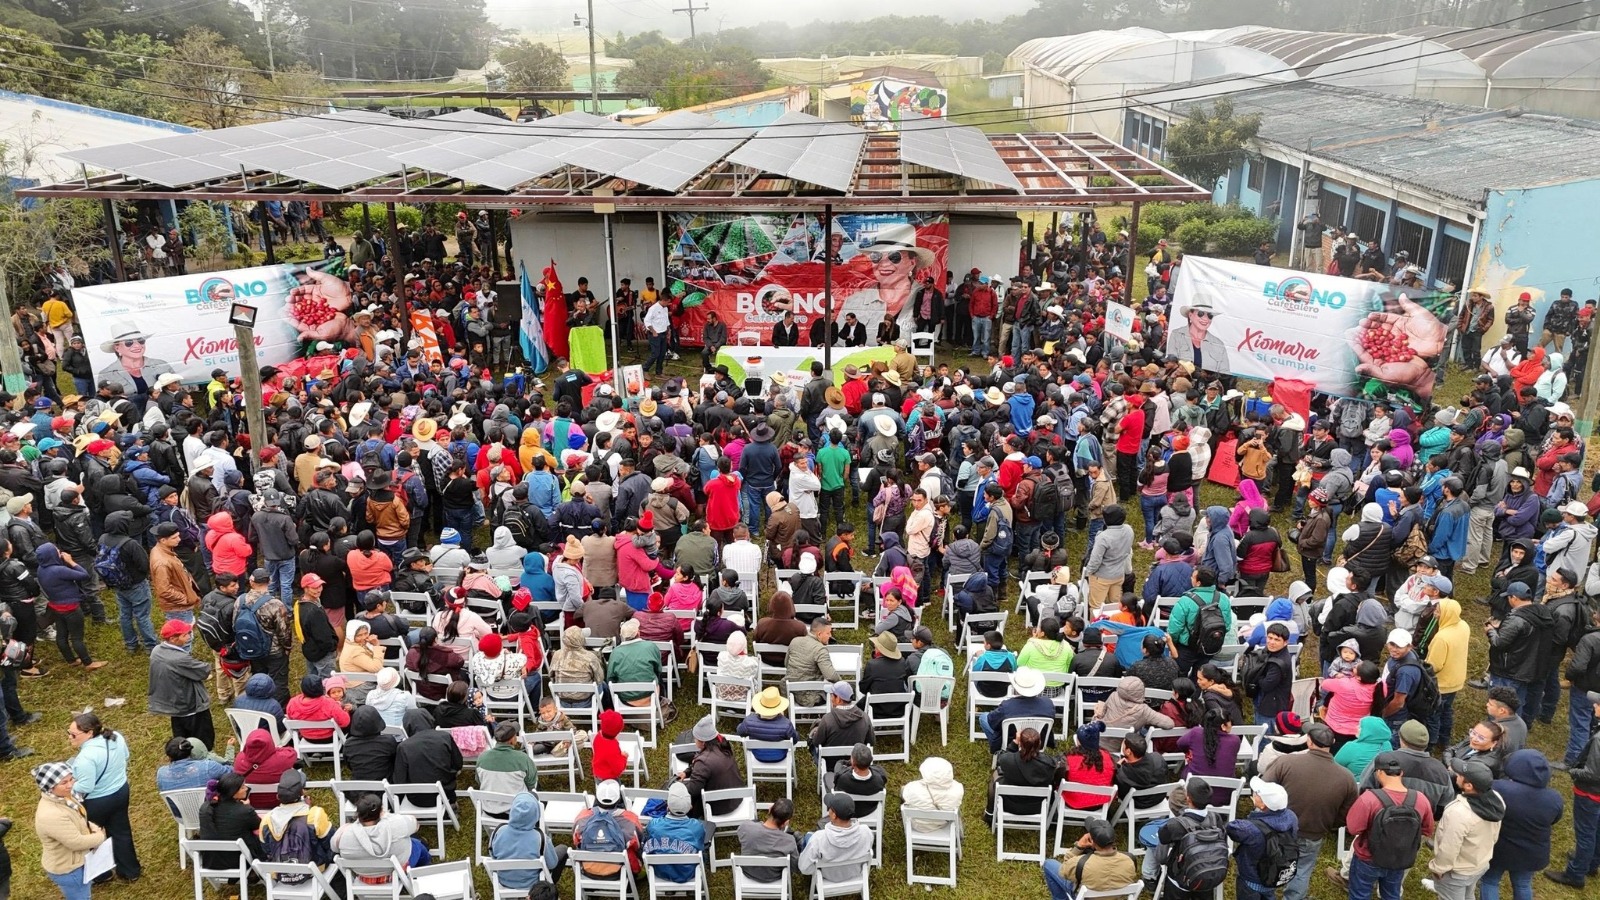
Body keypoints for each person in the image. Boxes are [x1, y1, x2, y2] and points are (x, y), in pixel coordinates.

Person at [1260, 722, 1358, 900]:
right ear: (1333, 742)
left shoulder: (1286, 762)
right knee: (1302, 869)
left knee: (1270, 862)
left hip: (1278, 829)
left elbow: (1262, 789)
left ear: (1309, 742)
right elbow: (1346, 813)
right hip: (1313, 833)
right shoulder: (1347, 777)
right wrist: (1326, 824)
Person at [1340, 752, 1436, 900]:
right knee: (1391, 895)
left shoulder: (1369, 798)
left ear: (1378, 772)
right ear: (1401, 773)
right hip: (1400, 859)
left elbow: (1353, 828)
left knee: (1360, 895)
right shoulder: (1420, 799)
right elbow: (1428, 829)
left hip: (1367, 858)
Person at [1480, 749, 1563, 900]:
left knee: (1490, 881)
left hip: (1499, 848)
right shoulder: (1554, 798)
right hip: (1531, 853)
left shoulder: (1499, 788)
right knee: (1523, 884)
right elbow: (1555, 819)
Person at [66, 712, 138, 882]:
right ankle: (130, 871)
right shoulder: (116, 737)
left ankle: (100, 874)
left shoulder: (85, 758)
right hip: (120, 791)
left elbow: (86, 786)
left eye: (73, 734)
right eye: (68, 733)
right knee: (121, 831)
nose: (69, 737)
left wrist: (69, 784)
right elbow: (126, 756)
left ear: (89, 733)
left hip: (97, 802)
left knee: (92, 836)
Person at [1428, 759, 1504, 900]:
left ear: (1469, 786)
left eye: (1461, 775)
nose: (1457, 775)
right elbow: (1494, 834)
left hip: (1457, 872)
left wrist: (1438, 869)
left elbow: (1450, 846)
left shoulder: (1458, 812)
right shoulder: (1496, 799)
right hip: (1479, 863)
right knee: (1468, 896)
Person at [1547, 690, 1600, 887]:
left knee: (1585, 833)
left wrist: (1573, 771)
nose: (1594, 706)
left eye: (1597, 704)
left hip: (1590, 792)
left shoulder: (1599, 739)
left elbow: (1592, 773)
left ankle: (1576, 874)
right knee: (1597, 830)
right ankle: (1591, 862)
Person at [32, 762, 106, 900]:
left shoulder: (63, 797)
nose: (70, 785)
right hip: (70, 869)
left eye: (71, 779)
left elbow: (79, 819)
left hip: (76, 862)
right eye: (64, 782)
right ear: (50, 787)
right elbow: (76, 842)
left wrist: (93, 828)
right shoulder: (51, 814)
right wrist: (100, 836)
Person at [146, 619, 214, 748]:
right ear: (172, 638)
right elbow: (203, 671)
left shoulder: (156, 651)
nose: (189, 637)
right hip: (190, 707)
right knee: (204, 741)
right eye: (185, 634)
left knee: (181, 740)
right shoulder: (180, 659)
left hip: (174, 705)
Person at [1227, 778, 1298, 900]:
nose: (1254, 794)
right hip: (1273, 874)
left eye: (1257, 793)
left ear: (1263, 804)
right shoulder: (1291, 817)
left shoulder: (1251, 829)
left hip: (1250, 880)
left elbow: (1231, 828)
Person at [1043, 816, 1139, 900]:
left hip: (1086, 897)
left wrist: (1078, 847)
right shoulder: (1130, 860)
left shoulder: (1081, 864)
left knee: (1049, 864)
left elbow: (1063, 871)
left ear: (1092, 841)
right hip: (1115, 896)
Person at [491, 791, 569, 887]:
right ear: (537, 813)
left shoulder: (498, 831)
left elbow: (492, 855)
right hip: (533, 885)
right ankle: (548, 886)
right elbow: (552, 864)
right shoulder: (541, 838)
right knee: (563, 849)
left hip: (503, 882)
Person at [572, 780, 644, 877]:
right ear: (619, 799)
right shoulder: (630, 820)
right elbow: (639, 843)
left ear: (597, 798)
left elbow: (576, 841)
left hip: (588, 870)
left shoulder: (582, 817)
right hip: (619, 871)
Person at [799, 793, 877, 881]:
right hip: (854, 873)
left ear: (833, 815)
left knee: (808, 836)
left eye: (829, 808)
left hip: (827, 876)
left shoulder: (818, 838)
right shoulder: (866, 832)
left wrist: (818, 869)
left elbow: (804, 868)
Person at [394, 708, 464, 805]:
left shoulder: (403, 747)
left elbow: (400, 780)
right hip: (446, 793)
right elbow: (458, 763)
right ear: (429, 719)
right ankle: (452, 808)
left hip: (417, 799)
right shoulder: (444, 737)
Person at [197, 772, 265, 867]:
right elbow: (259, 826)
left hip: (212, 861)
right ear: (233, 792)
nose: (246, 789)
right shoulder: (245, 810)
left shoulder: (205, 808)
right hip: (240, 860)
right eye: (242, 787)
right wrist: (247, 807)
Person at [736, 797, 800, 881]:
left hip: (748, 873)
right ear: (786, 823)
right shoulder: (789, 841)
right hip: (774, 877)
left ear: (769, 810)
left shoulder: (745, 827)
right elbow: (794, 867)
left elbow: (740, 835)